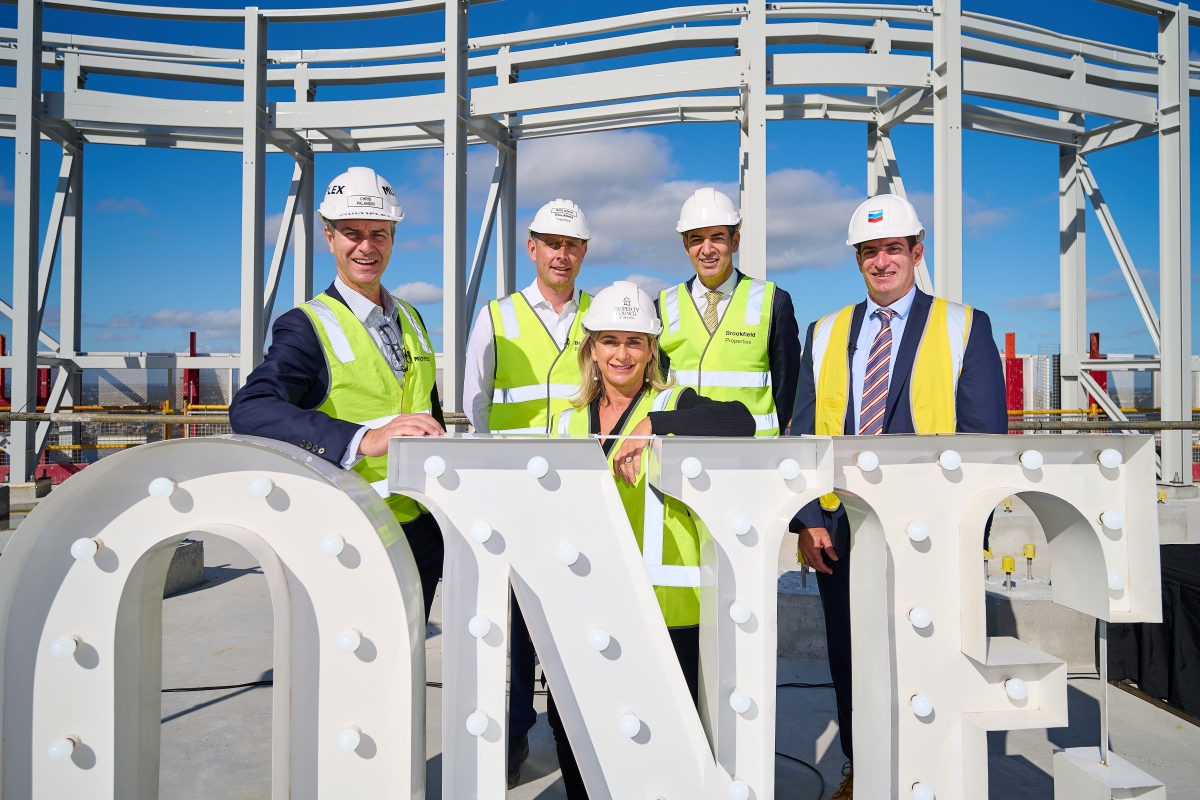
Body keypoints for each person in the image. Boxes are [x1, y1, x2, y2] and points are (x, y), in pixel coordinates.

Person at [790, 193, 1007, 799]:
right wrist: (808, 519)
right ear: (858, 259)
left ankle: (927, 774)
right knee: (852, 656)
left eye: (892, 250)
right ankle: (863, 771)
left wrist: (970, 536)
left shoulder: (964, 325)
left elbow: (988, 439)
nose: (881, 262)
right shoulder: (826, 331)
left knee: (929, 652)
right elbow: (804, 433)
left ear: (916, 252)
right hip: (845, 526)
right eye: (869, 252)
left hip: (931, 528)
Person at [548, 280, 755, 799]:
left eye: (635, 342)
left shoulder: (673, 402)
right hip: (590, 606)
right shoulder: (566, 423)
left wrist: (654, 425)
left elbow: (740, 420)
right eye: (610, 341)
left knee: (669, 740)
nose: (622, 354)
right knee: (576, 731)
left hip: (670, 609)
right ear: (591, 348)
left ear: (651, 351)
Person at [229, 166, 445, 621]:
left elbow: (426, 409)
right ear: (329, 237)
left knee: (404, 670)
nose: (366, 246)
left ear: (392, 237)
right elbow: (251, 408)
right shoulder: (307, 326)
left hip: (421, 530)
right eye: (352, 233)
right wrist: (363, 438)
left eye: (379, 234)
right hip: (351, 531)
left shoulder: (412, 319)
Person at [462, 198, 593, 788]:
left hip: (582, 496)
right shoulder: (499, 316)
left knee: (576, 620)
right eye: (551, 243)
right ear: (532, 248)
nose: (561, 254)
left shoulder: (601, 315)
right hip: (515, 495)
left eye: (572, 245)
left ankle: (578, 735)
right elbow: (475, 406)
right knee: (514, 626)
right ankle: (514, 733)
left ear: (583, 252)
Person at [656, 187, 801, 436]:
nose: (707, 249)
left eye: (717, 237)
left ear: (735, 242)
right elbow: (656, 385)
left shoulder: (773, 302)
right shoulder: (663, 305)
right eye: (697, 239)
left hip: (752, 453)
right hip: (682, 452)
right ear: (685, 245)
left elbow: (788, 389)